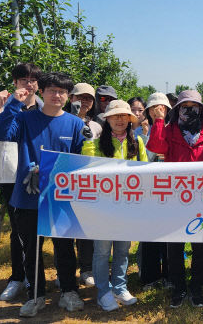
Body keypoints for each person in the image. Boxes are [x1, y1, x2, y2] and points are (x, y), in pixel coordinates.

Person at [0, 72, 86, 318]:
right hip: (28, 197)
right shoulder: (25, 119)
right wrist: (13, 103)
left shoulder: (75, 124)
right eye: (52, 90)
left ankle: (68, 291)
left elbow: (79, 161)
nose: (57, 95)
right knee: (32, 249)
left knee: (64, 247)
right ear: (41, 92)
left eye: (63, 92)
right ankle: (36, 295)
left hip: (61, 198)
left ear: (68, 96)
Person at [146, 89, 203, 308]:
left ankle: (196, 288)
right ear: (177, 111)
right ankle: (179, 289)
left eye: (193, 107)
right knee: (174, 247)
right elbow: (156, 147)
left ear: (200, 110)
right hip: (174, 198)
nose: (188, 111)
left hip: (201, 198)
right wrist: (159, 121)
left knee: (200, 248)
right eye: (184, 108)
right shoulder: (169, 131)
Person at [0, 62, 43, 301]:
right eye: (24, 79)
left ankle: (34, 277)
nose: (29, 83)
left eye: (33, 79)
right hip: (10, 177)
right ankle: (17, 278)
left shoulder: (43, 108)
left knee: (37, 230)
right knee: (18, 231)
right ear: (15, 82)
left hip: (37, 176)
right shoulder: (4, 106)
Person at [81, 100, 148, 311]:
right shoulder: (95, 143)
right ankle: (103, 292)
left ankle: (120, 286)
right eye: (114, 116)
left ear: (130, 120)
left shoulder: (137, 142)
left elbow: (146, 172)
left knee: (122, 249)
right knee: (101, 251)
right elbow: (87, 169)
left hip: (127, 207)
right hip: (102, 208)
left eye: (123, 116)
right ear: (107, 119)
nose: (119, 119)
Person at [66, 83, 100, 289]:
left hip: (89, 183)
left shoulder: (97, 125)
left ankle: (86, 268)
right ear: (71, 98)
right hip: (64, 180)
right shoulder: (62, 121)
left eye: (89, 98)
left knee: (86, 228)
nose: (84, 101)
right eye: (80, 97)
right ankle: (66, 271)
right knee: (65, 228)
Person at [137, 92, 173, 291]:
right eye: (153, 108)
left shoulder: (173, 130)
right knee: (149, 235)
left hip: (169, 190)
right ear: (147, 111)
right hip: (147, 190)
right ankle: (150, 277)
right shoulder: (137, 133)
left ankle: (169, 275)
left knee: (168, 235)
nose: (157, 111)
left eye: (161, 107)